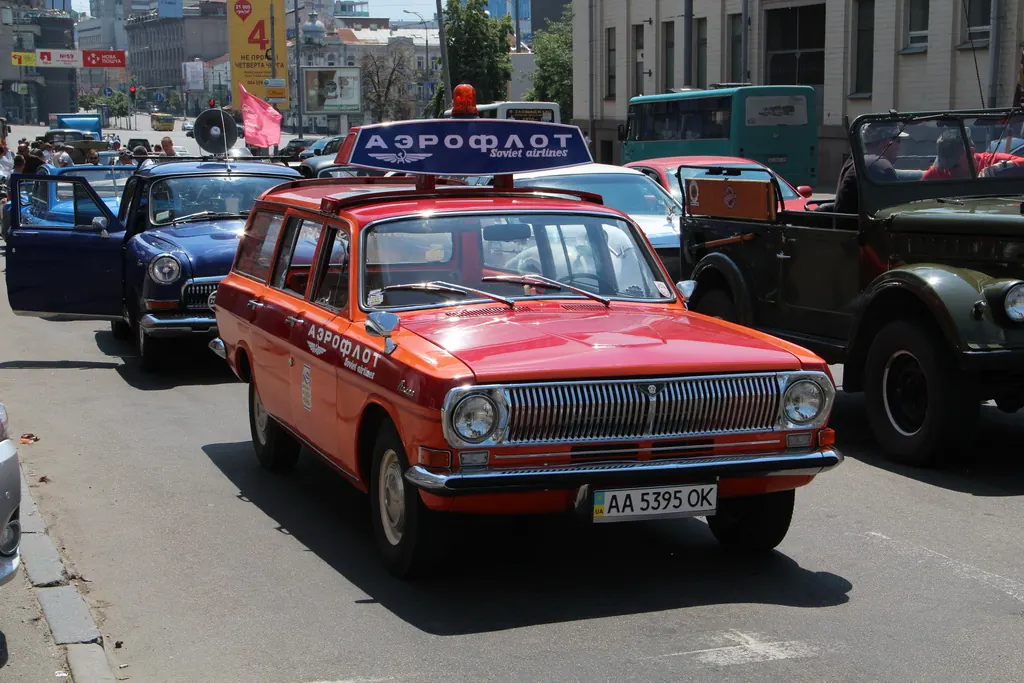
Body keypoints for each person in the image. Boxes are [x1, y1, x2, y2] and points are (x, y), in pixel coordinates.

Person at [833, 123, 906, 214]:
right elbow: (898, 208)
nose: (900, 147)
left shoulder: (855, 160)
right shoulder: (879, 165)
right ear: (887, 143)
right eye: (898, 140)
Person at [921, 130, 1024, 181]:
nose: (949, 169)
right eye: (946, 164)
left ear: (971, 152)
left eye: (954, 165)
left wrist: (1000, 167)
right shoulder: (939, 170)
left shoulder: (989, 161)